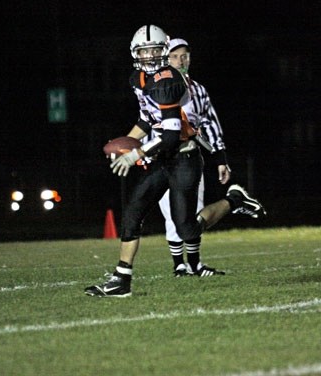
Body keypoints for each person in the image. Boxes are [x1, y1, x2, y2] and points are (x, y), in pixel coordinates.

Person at [84, 25, 266, 297]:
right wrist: (124, 142)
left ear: (163, 52)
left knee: (186, 228)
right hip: (161, 159)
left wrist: (137, 153)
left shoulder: (170, 81)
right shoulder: (138, 79)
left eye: (155, 50)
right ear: (135, 53)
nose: (148, 56)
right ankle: (121, 280)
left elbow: (170, 135)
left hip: (184, 159)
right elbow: (147, 120)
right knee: (133, 212)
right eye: (144, 51)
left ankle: (234, 200)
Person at [157, 38, 231, 277]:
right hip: (163, 158)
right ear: (165, 60)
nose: (181, 60)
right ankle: (179, 264)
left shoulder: (197, 89)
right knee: (171, 211)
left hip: (189, 156)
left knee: (192, 211)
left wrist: (220, 157)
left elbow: (210, 123)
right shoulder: (156, 87)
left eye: (185, 55)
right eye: (175, 56)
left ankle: (196, 263)